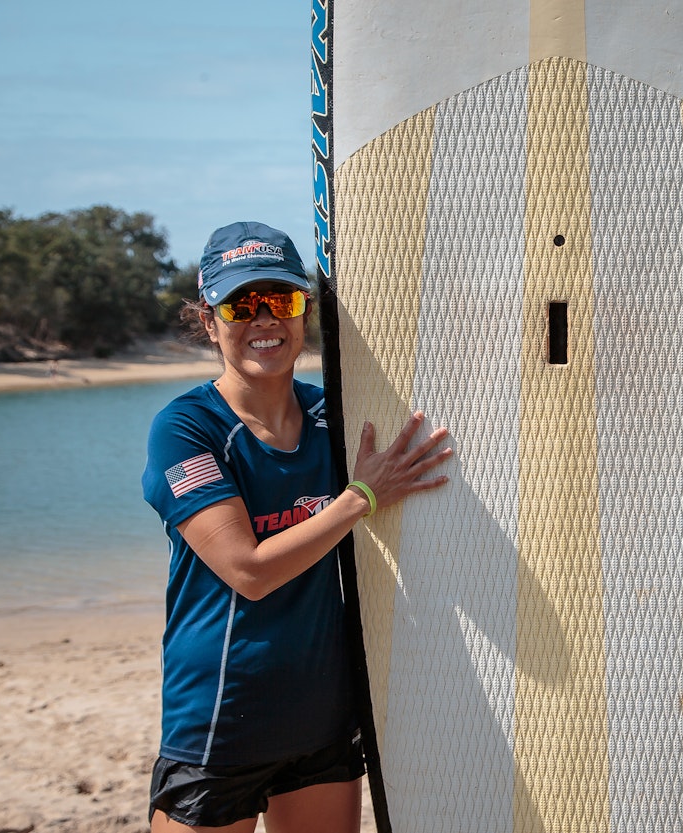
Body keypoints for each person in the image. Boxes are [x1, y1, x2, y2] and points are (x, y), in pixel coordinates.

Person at [141, 221, 452, 832]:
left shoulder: (331, 415)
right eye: (241, 305)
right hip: (221, 715)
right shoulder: (186, 427)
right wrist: (361, 496)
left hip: (321, 713)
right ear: (210, 322)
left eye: (280, 301)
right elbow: (248, 571)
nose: (264, 320)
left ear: (304, 312)